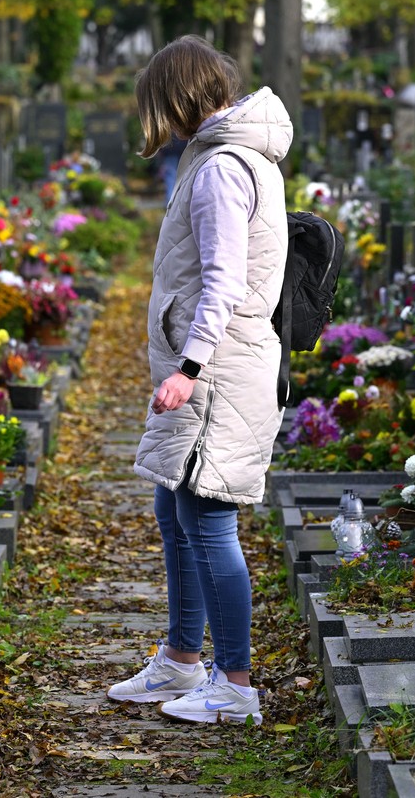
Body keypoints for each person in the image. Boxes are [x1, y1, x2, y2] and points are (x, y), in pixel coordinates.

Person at [110, 35, 290, 725]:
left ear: (177, 97)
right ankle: (182, 661)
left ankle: (236, 684)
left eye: (153, 104)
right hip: (212, 364)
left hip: (218, 368)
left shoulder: (221, 168)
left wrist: (188, 367)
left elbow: (224, 279)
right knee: (173, 507)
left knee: (208, 517)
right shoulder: (228, 156)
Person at [156, 134, 189, 204]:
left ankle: (170, 203)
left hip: (170, 150)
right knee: (182, 178)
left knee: (170, 179)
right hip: (182, 150)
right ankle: (176, 203)